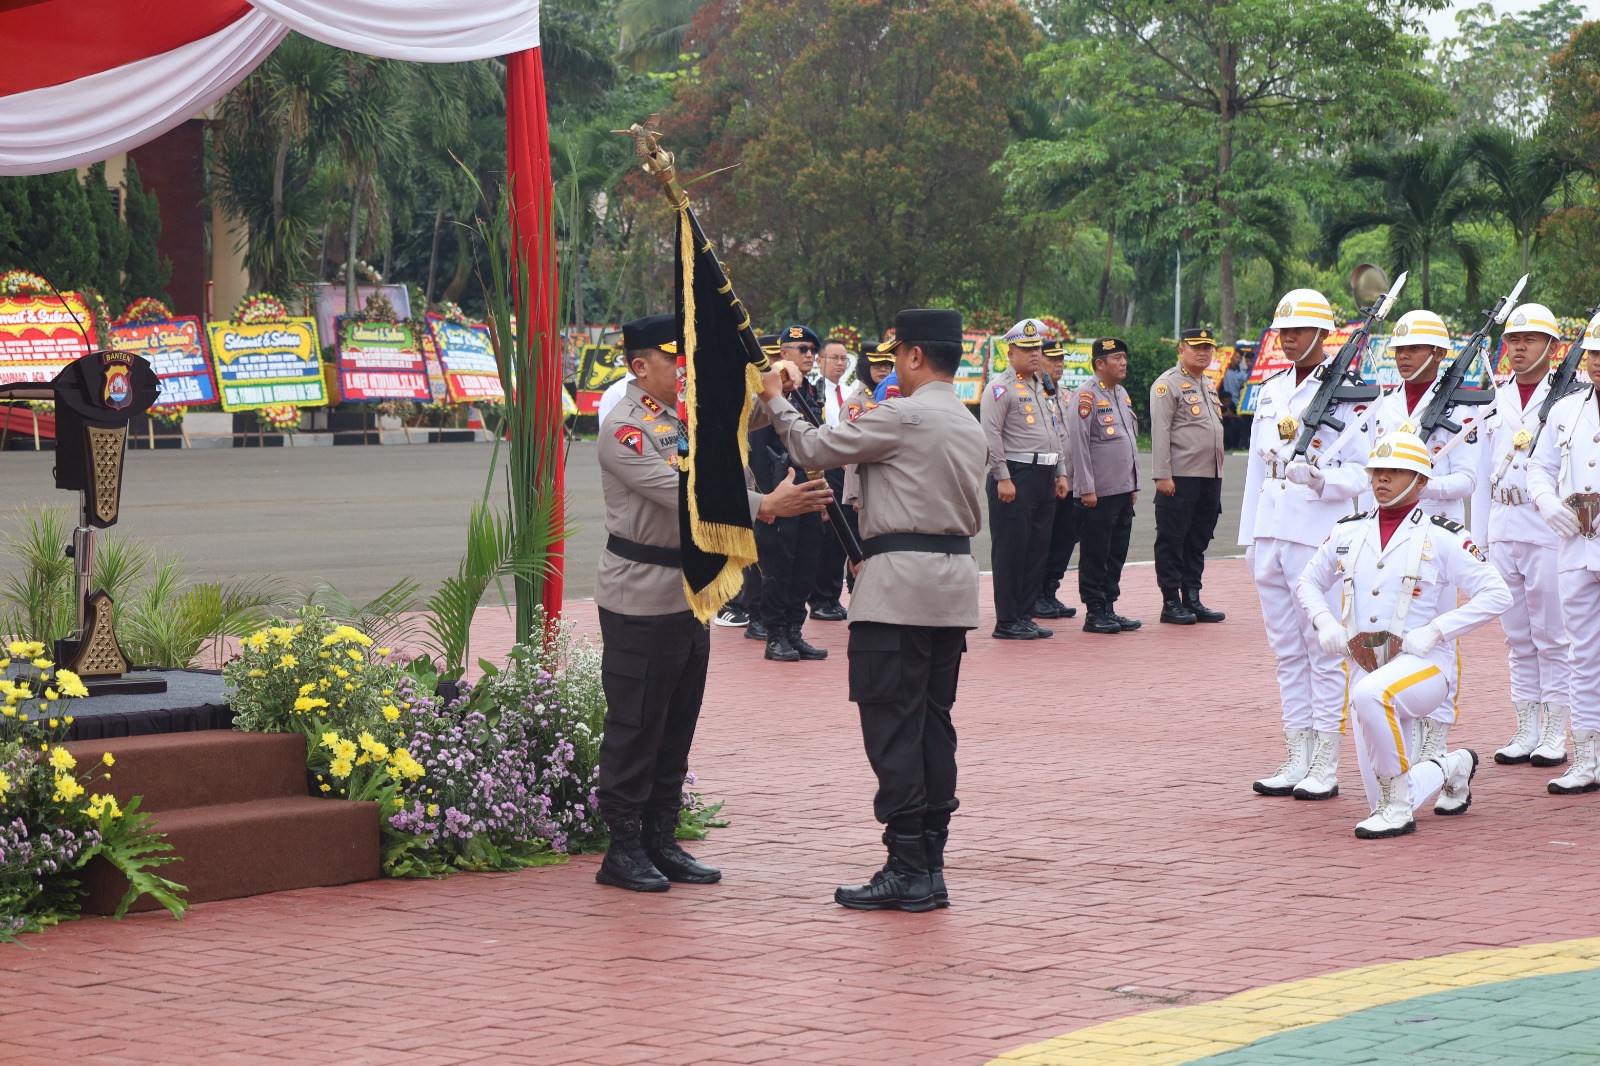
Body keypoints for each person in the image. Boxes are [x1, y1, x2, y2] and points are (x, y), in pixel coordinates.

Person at [755, 308, 986, 911]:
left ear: (912, 356)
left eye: (898, 354)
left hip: (897, 589)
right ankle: (929, 863)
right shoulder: (965, 419)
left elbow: (811, 446)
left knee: (892, 727)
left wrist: (777, 397)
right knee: (934, 723)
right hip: (951, 583)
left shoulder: (904, 415)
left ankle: (907, 865)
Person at [594, 313, 832, 892]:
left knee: (677, 721)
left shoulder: (679, 415)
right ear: (640, 366)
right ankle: (621, 848)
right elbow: (685, 495)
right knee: (636, 722)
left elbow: (740, 411)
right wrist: (766, 504)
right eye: (677, 360)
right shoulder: (625, 428)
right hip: (641, 593)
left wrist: (774, 382)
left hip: (689, 591)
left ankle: (659, 837)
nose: (686, 370)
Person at [1296, 432, 1508, 838]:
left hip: (1424, 666)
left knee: (1371, 698)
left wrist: (1437, 630)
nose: (1382, 479)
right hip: (1366, 666)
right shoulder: (1347, 530)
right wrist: (1324, 621)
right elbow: (1308, 582)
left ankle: (1397, 811)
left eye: (1396, 472)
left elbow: (1499, 593)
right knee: (1384, 790)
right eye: (1378, 470)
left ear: (1421, 482)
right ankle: (1452, 766)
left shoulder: (1442, 535)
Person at [1242, 289, 1372, 801]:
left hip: (1318, 535)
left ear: (1323, 335)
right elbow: (1256, 468)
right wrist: (1250, 536)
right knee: (1285, 652)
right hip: (1272, 531)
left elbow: (1366, 472)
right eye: (1283, 331)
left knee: (1323, 651)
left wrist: (1321, 480)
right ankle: (1295, 754)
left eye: (1297, 331)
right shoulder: (1272, 389)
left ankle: (1325, 761)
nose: (1288, 339)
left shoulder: (1351, 392)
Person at [1366, 309, 1484, 765]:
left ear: (1438, 353)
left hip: (1436, 535)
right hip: (1388, 534)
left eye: (1413, 348)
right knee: (1391, 631)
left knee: (1437, 638)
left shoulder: (1464, 405)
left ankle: (1436, 737)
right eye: (1398, 349)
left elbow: (1469, 480)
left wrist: (1420, 485)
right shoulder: (1386, 401)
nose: (1403, 357)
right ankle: (1403, 730)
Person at [1469, 302, 1574, 768]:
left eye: (1529, 339)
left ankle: (1555, 728)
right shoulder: (1496, 396)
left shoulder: (1569, 399)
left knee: (1553, 635)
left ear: (1552, 347)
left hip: (1548, 527)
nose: (1518, 347)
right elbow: (1480, 473)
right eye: (1512, 339)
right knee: (1516, 636)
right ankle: (1525, 726)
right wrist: (1479, 538)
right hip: (1503, 525)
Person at [1527, 313, 1600, 795]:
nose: (1597, 363)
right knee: (1583, 656)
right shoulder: (1565, 410)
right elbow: (1538, 467)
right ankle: (1588, 758)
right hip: (1577, 550)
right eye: (1594, 354)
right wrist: (1548, 502)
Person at [982, 318, 1069, 640]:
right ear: (1011, 351)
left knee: (1036, 550)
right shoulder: (1000, 388)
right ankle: (1006, 620)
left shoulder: (1043, 386)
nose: (1034, 354)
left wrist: (1060, 472)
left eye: (1036, 348)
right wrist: (1002, 477)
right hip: (1016, 475)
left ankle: (1025, 614)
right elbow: (991, 436)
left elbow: (1055, 433)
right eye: (1026, 348)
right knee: (1011, 550)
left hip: (1044, 474)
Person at [749, 324, 830, 662]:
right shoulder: (768, 392)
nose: (810, 355)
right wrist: (766, 500)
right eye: (802, 349)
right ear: (783, 354)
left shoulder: (809, 391)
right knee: (778, 566)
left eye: (813, 349)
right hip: (779, 492)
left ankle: (795, 631)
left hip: (808, 490)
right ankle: (775, 634)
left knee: (806, 563)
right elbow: (756, 449)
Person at [1149, 327, 1227, 625]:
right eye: (1196, 347)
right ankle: (1171, 601)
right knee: (1172, 538)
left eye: (1208, 347)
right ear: (1181, 350)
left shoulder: (1207, 383)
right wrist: (1162, 475)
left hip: (1210, 475)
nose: (1203, 352)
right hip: (1180, 476)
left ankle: (1191, 597)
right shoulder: (1167, 385)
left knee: (1198, 538)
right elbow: (1161, 432)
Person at [1071, 337, 1141, 634]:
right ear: (1100, 364)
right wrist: (1086, 487)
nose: (1123, 363)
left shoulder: (1120, 393)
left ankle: (1109, 606)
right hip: (1099, 492)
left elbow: (1130, 441)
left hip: (1123, 489)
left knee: (1116, 551)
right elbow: (1078, 445)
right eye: (1117, 358)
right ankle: (1095, 610)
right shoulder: (1085, 396)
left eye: (1124, 357)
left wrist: (1134, 483)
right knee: (1096, 551)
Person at [808, 337, 855, 622]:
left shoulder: (851, 393)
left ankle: (833, 596)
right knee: (824, 535)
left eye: (843, 359)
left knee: (843, 534)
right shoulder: (812, 392)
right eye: (833, 358)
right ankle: (819, 598)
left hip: (847, 470)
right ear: (819, 360)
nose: (839, 363)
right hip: (825, 467)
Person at [1032, 341, 1078, 621]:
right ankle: (1035, 594)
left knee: (1064, 540)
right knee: (1041, 541)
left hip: (1071, 480)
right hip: (1044, 479)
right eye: (1053, 358)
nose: (1059, 363)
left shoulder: (1067, 396)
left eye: (1062, 358)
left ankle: (1050, 591)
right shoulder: (1033, 393)